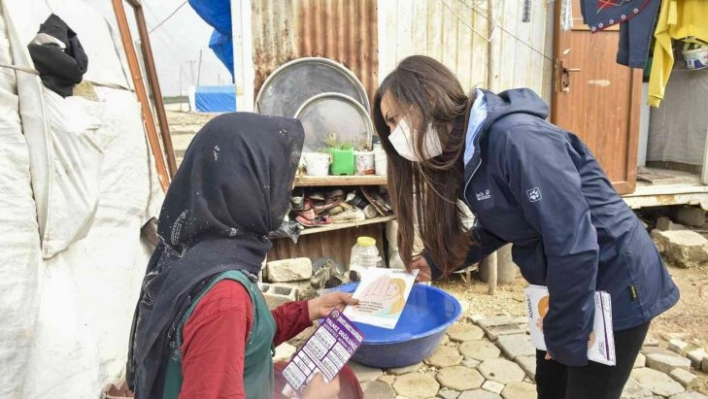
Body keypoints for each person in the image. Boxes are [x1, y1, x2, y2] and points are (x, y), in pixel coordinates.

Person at [372, 55, 680, 399]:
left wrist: (564, 337)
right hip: (563, 286)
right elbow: (498, 224)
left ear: (428, 98)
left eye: (394, 119)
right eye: (388, 126)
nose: (393, 133)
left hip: (613, 280)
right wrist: (436, 259)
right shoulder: (469, 153)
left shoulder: (516, 139)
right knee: (551, 387)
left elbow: (573, 242)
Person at [126, 113, 364, 399]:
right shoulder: (225, 296)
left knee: (345, 378)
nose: (289, 189)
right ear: (246, 186)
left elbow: (241, 338)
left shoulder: (191, 253)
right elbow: (224, 324)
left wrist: (307, 310)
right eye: (279, 177)